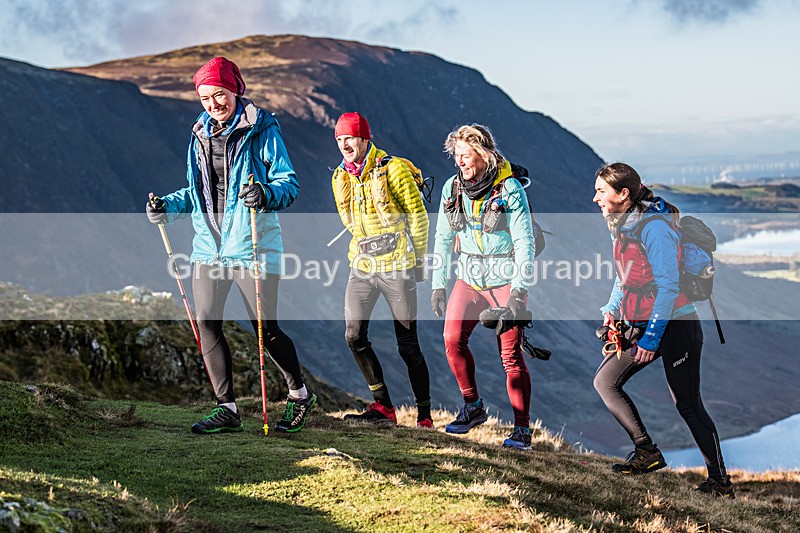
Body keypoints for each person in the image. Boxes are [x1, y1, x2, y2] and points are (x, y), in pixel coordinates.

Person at [146, 56, 316, 434]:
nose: (213, 104)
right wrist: (166, 207)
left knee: (264, 328)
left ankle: (300, 394)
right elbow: (197, 193)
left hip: (252, 246)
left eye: (218, 95)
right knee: (206, 323)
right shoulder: (199, 135)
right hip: (209, 249)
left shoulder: (263, 129)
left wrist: (265, 192)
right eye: (205, 98)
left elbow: (289, 183)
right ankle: (227, 409)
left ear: (235, 89)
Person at [592, 162, 734, 498]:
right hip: (642, 322)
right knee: (605, 382)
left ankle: (719, 482)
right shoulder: (623, 223)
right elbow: (624, 275)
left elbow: (668, 287)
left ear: (622, 194)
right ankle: (647, 452)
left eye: (601, 191)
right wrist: (611, 310)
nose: (595, 198)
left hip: (676, 325)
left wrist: (651, 338)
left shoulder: (655, 228)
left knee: (687, 404)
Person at [431, 124, 536, 450]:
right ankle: (472, 407)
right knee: (451, 339)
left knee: (510, 356)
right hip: (468, 279)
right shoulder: (452, 187)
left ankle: (521, 430)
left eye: (465, 155)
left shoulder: (510, 189)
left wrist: (518, 292)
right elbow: (444, 237)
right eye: (456, 156)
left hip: (505, 281)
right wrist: (438, 285)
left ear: (484, 154)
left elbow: (525, 241)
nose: (459, 162)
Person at [331, 112, 433, 428]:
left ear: (364, 138)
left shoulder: (395, 169)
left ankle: (424, 416)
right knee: (353, 336)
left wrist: (416, 262)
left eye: (349, 137)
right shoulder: (339, 177)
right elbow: (348, 222)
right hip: (361, 266)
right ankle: (384, 408)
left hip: (397, 266)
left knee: (407, 345)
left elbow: (419, 219)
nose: (344, 144)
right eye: (339, 139)